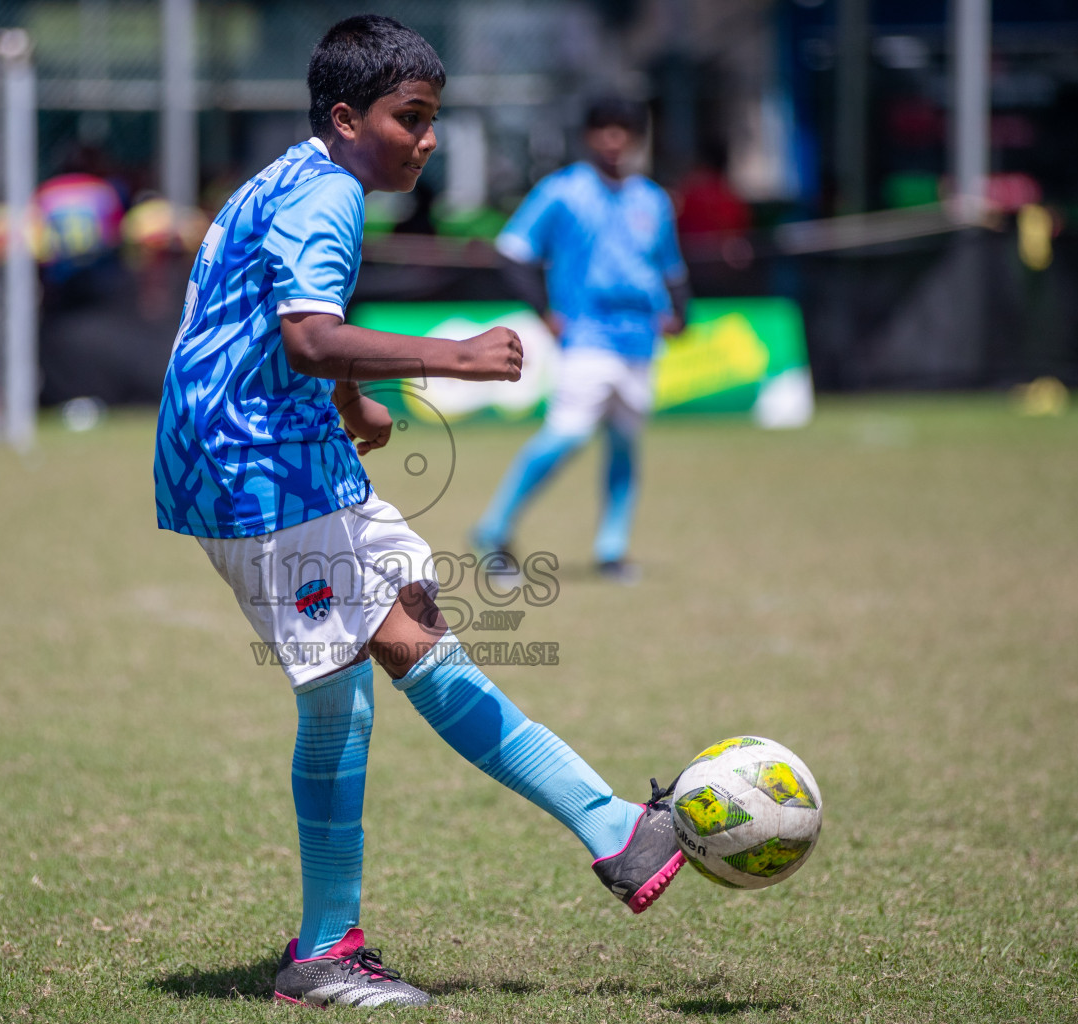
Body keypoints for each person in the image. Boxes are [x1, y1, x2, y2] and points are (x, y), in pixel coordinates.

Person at [154, 16, 688, 1010]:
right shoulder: (329, 193)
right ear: (349, 115)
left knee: (412, 637)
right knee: (354, 686)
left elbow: (269, 328)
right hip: (255, 473)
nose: (428, 139)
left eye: (434, 118)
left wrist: (352, 403)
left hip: (281, 452)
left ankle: (610, 827)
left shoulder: (300, 176)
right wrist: (459, 355)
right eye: (412, 118)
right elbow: (310, 336)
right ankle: (330, 950)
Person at [470, 98, 691, 583]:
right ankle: (492, 528)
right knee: (567, 434)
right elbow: (512, 251)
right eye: (604, 129)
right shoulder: (563, 191)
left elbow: (671, 268)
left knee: (625, 445)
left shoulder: (652, 199)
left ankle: (612, 548)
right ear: (589, 135)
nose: (614, 140)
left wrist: (682, 315)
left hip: (640, 338)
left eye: (624, 130)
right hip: (587, 337)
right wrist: (546, 311)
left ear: (637, 138)